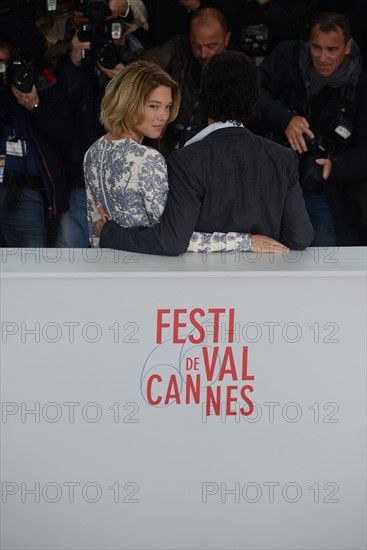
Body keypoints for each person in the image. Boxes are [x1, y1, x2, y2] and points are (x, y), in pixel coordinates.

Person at [97, 51, 314, 255]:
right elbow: (300, 237)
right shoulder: (282, 158)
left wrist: (109, 233)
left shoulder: (185, 161)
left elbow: (171, 240)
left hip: (203, 287)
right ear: (253, 98)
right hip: (264, 286)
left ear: (204, 96)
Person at [256, 12, 367, 245]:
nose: (322, 57)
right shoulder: (288, 57)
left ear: (347, 47)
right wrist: (285, 118)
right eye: (316, 48)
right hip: (273, 185)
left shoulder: (360, 84)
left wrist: (335, 165)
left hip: (328, 193)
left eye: (331, 50)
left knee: (323, 263)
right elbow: (251, 94)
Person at [0, 28, 78, 247]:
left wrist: (35, 106)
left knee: (32, 263)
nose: (4, 72)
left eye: (8, 64)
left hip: (25, 191)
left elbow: (67, 137)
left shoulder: (42, 85)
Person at [138, 6, 232, 154]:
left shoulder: (237, 66)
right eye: (196, 45)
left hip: (211, 149)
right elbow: (147, 64)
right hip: (170, 143)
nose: (203, 53)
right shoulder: (179, 49)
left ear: (226, 38)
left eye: (211, 46)